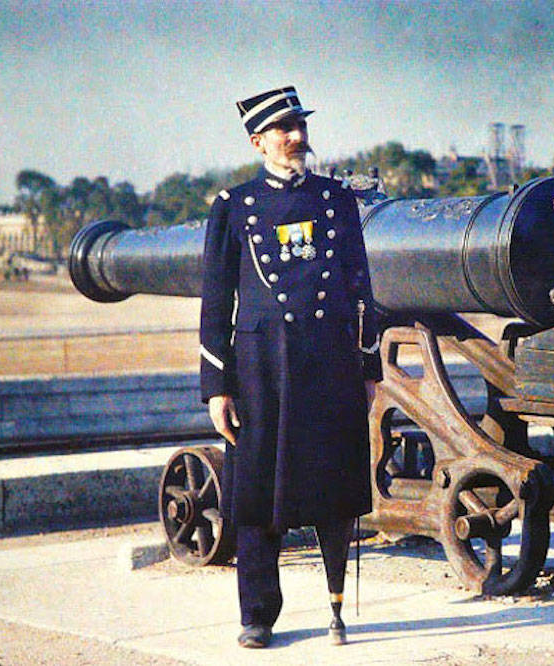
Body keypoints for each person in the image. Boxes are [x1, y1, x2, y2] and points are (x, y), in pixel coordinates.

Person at [199, 85, 381, 649]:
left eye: (300, 125)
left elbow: (360, 287)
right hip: (259, 368)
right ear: (259, 142)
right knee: (255, 492)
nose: (297, 137)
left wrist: (368, 365)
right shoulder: (234, 205)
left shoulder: (336, 201)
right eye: (284, 129)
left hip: (328, 363)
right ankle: (258, 614)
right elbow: (215, 300)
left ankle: (334, 604)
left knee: (333, 484)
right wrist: (215, 387)